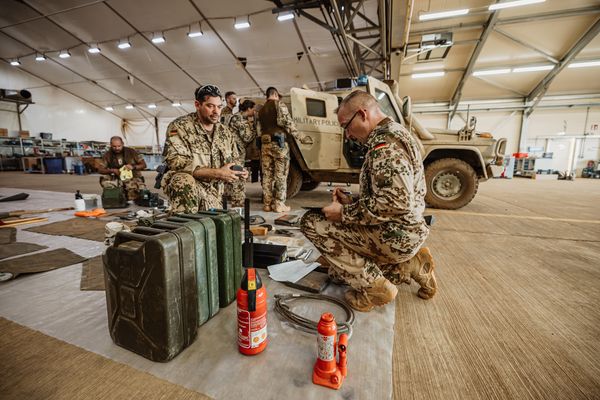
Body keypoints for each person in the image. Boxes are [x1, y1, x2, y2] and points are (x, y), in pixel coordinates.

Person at [300, 90, 436, 312]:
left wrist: (344, 213)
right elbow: (396, 195)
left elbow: (394, 203)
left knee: (312, 222)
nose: (347, 135)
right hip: (406, 231)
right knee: (336, 271)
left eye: (346, 126)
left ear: (362, 114)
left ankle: (375, 288)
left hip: (395, 235)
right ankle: (411, 264)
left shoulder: (385, 144)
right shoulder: (395, 133)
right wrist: (351, 201)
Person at [162, 84, 249, 213]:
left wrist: (239, 171)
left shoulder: (224, 132)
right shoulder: (180, 127)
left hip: (214, 195)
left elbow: (234, 160)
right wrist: (218, 173)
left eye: (219, 107)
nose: (216, 112)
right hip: (189, 191)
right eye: (210, 106)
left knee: (214, 227)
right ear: (197, 105)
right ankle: (185, 223)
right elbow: (176, 163)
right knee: (182, 180)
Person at [256, 86, 299, 213]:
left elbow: (258, 130)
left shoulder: (261, 110)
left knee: (267, 175)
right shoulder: (279, 105)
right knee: (281, 175)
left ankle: (267, 204)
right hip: (279, 145)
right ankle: (279, 204)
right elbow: (287, 123)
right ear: (275, 94)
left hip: (265, 145)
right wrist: (300, 137)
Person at [225, 99, 257, 207]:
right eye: (253, 109)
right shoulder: (239, 119)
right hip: (236, 153)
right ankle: (238, 204)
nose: (254, 112)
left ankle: (233, 200)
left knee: (234, 176)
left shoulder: (235, 117)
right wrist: (254, 128)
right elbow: (247, 137)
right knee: (238, 178)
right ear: (248, 109)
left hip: (233, 151)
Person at [97, 136, 147, 200]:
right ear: (110, 145)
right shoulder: (107, 155)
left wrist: (133, 167)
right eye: (114, 146)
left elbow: (144, 165)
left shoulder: (132, 152)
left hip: (133, 177)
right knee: (108, 185)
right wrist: (112, 170)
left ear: (123, 144)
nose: (117, 148)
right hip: (115, 178)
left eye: (119, 146)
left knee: (136, 191)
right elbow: (100, 170)